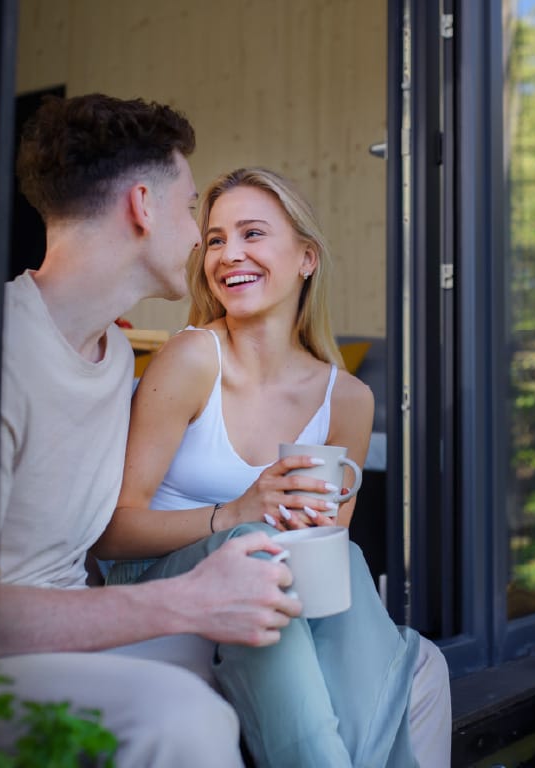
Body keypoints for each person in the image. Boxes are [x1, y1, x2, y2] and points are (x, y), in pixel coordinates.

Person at [93, 167, 452, 767]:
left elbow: (325, 555)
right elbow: (111, 531)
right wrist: (237, 514)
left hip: (275, 598)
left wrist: (306, 528)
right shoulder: (191, 359)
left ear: (307, 258)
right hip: (160, 587)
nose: (229, 254)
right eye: (215, 239)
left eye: (252, 233)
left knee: (366, 590)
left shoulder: (348, 400)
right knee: (257, 554)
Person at [0, 94, 306, 767]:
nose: (198, 237)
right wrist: (183, 600)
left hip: (79, 630)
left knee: (372, 662)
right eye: (191, 208)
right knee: (185, 718)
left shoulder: (111, 354)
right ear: (141, 205)